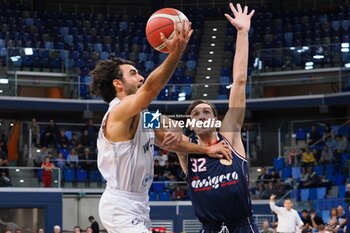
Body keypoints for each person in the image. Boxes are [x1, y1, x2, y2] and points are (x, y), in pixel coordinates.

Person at [91, 19, 230, 233]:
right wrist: (175, 53)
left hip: (140, 202)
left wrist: (205, 149)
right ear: (118, 84)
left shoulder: (142, 115)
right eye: (133, 73)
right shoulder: (118, 112)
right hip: (120, 204)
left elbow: (172, 134)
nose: (141, 77)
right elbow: (152, 87)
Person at [175, 3, 259, 232]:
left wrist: (242, 33)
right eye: (195, 114)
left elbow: (239, 80)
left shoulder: (229, 133)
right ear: (190, 124)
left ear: (215, 120)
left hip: (241, 226)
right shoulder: (185, 150)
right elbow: (156, 128)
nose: (201, 116)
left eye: (206, 112)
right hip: (208, 228)